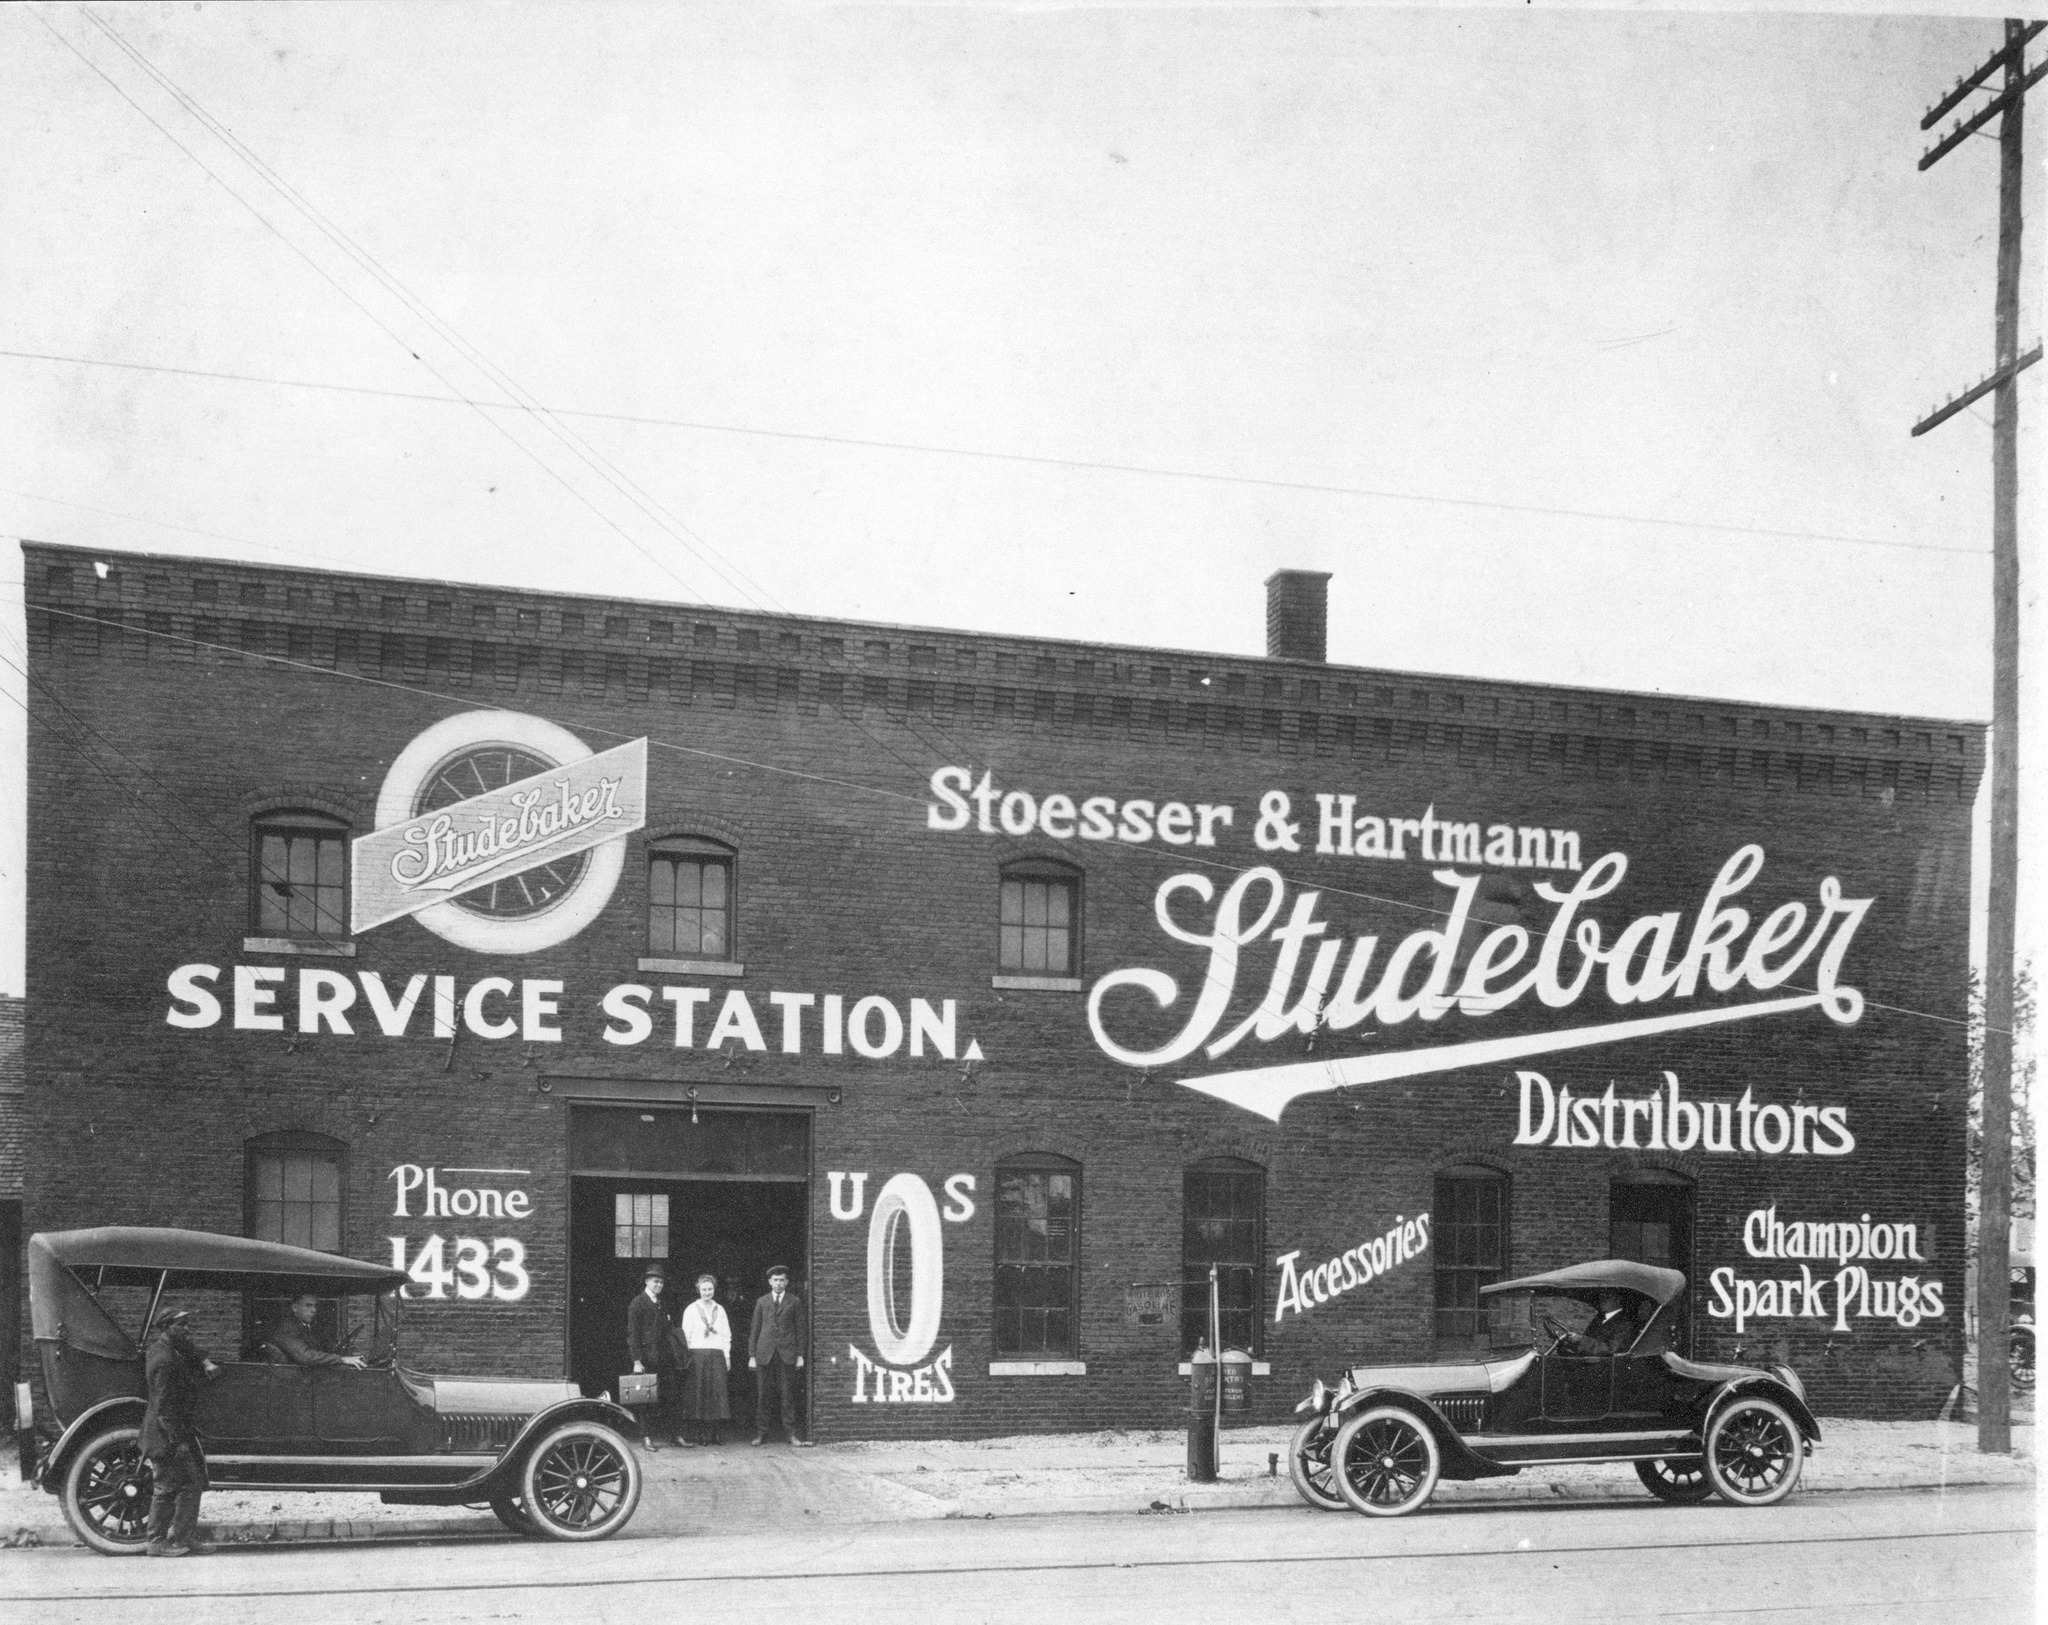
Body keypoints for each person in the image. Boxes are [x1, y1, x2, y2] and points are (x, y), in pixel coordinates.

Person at [140, 1308, 219, 1558]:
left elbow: (190, 1348)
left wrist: (205, 1361)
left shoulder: (168, 1348)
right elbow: (164, 1409)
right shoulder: (164, 1361)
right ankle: (156, 1542)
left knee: (192, 1483)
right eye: (181, 1325)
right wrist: (178, 1442)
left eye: (187, 1324)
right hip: (165, 1435)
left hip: (171, 1432)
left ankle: (183, 1537)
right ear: (166, 1327)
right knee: (165, 1487)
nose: (187, 1329)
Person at [747, 1265, 811, 1446]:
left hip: (786, 1354)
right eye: (775, 1280)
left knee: (787, 1395)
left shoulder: (794, 1301)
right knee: (763, 1395)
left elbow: (800, 1330)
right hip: (764, 1354)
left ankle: (791, 1434)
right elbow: (754, 1329)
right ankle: (761, 1433)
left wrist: (800, 1355)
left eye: (782, 1280)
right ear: (770, 1282)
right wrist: (752, 1355)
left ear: (787, 1282)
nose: (778, 1283)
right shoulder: (762, 1301)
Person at [627, 1263, 686, 1450]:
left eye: (661, 1282)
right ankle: (646, 1436)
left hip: (665, 1358)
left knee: (671, 1396)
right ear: (647, 1281)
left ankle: (674, 1435)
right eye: (655, 1281)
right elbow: (633, 1334)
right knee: (645, 1398)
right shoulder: (637, 1303)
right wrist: (637, 1361)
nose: (659, 1285)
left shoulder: (663, 1303)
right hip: (647, 1359)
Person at [677, 1272, 732, 1445]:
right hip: (698, 1355)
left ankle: (716, 1433)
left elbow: (726, 1335)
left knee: (717, 1394)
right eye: (704, 1289)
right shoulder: (691, 1309)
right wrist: (687, 1358)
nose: (707, 1292)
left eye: (710, 1289)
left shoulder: (720, 1310)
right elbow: (685, 1336)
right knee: (700, 1394)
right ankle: (701, 1434)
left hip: (716, 1355)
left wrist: (727, 1356)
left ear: (714, 1289)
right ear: (698, 1290)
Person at [265, 1293, 368, 1369]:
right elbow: (305, 1357)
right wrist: (342, 1359)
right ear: (295, 1308)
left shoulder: (309, 1327)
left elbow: (323, 1349)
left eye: (315, 1306)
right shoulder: (287, 1328)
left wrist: (345, 1355)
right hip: (289, 1381)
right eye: (308, 1306)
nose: (314, 1310)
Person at [1566, 1289, 1641, 1356]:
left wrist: (1581, 1339)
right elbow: (1589, 1340)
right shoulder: (1600, 1318)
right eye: (1601, 1297)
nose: (1602, 1300)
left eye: (1607, 1297)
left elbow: (1611, 1349)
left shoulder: (1625, 1323)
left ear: (1618, 1300)